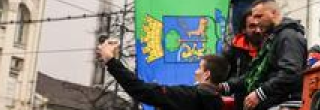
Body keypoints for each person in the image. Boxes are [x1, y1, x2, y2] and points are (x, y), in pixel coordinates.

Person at [220, 0, 307, 110]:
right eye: (254, 17)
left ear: (273, 13)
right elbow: (255, 74)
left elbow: (290, 72)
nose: (256, 21)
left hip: (285, 105)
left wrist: (260, 93)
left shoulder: (289, 36)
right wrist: (225, 86)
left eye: (259, 16)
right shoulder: (273, 38)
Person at [97, 38, 229, 110]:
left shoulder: (187, 96)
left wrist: (110, 60)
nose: (195, 72)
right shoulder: (221, 104)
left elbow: (140, 89)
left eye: (199, 68)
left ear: (206, 74)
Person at [224, 10, 263, 79]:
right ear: (243, 30)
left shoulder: (273, 48)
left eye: (260, 25)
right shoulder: (232, 52)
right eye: (252, 26)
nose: (257, 30)